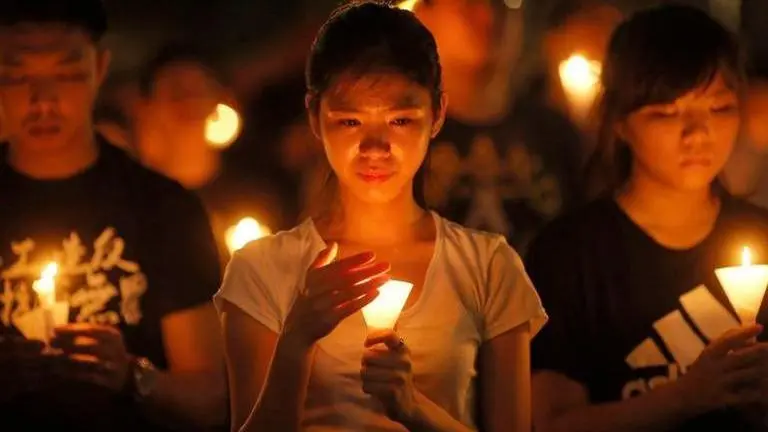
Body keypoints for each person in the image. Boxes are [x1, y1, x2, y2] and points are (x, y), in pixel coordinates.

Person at [215, 2, 547, 431]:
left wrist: (414, 407)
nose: (375, 147)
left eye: (400, 120)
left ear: (438, 114)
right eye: (350, 121)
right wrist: (296, 342)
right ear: (315, 116)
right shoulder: (263, 270)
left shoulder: (487, 267)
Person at [527, 5, 768, 431]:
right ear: (619, 121)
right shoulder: (569, 256)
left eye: (718, 108)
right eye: (666, 113)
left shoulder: (761, 235)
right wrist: (685, 397)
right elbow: (549, 423)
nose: (697, 134)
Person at [0, 1, 227, 430]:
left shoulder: (163, 207)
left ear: (100, 68)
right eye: (18, 75)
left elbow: (212, 403)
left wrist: (131, 375)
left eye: (66, 74)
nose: (43, 100)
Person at [411, 0, 585, 253]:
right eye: (468, 5)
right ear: (423, 15)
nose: (488, 15)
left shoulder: (557, 136)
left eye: (502, 3)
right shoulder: (402, 136)